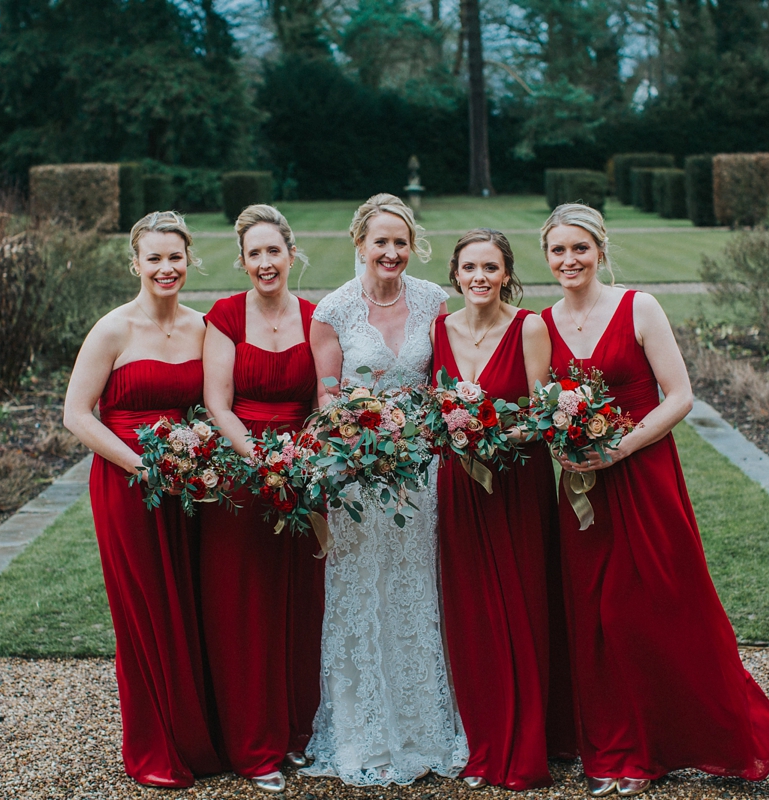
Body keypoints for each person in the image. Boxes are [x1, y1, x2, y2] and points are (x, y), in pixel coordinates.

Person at [539, 204, 769, 798]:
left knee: (652, 608)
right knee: (592, 616)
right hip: (583, 489)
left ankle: (683, 741)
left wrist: (620, 448)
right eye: (558, 250)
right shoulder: (542, 323)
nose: (568, 260)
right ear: (546, 256)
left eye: (579, 248)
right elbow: (537, 405)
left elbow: (679, 396)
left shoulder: (639, 307)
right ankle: (612, 749)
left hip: (645, 476)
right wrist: (562, 445)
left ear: (600, 249)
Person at [303, 193, 468, 786]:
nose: (392, 252)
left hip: (422, 471)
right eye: (381, 242)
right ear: (360, 244)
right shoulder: (333, 311)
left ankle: (427, 729)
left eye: (401, 241)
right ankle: (362, 735)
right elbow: (325, 396)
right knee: (361, 594)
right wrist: (358, 430)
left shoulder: (434, 300)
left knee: (419, 589)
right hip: (358, 473)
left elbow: (445, 379)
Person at [63, 211, 225, 788]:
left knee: (192, 603)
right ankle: (157, 747)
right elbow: (76, 415)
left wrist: (202, 459)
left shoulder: (206, 328)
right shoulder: (113, 330)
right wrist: (143, 467)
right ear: (135, 263)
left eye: (175, 257)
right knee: (146, 609)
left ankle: (202, 738)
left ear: (189, 260)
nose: (165, 267)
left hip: (188, 486)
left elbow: (217, 406)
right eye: (153, 258)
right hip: (127, 484)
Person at [200, 204, 325, 794]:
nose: (266, 262)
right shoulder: (223, 317)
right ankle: (253, 747)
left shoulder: (315, 316)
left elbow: (327, 399)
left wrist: (306, 457)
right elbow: (218, 404)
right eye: (255, 253)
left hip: (305, 475)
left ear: (291, 255)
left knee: (301, 605)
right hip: (242, 478)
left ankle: (297, 733)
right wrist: (259, 458)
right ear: (243, 261)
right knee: (246, 608)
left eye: (275, 251)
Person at [430, 229, 557, 791]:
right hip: (459, 488)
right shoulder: (442, 330)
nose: (479, 277)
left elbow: (543, 413)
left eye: (490, 267)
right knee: (471, 614)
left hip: (516, 487)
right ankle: (483, 744)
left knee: (521, 607)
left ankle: (525, 746)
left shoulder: (529, 327)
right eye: (469, 267)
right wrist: (455, 429)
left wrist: (493, 430)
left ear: (507, 273)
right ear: (455, 274)